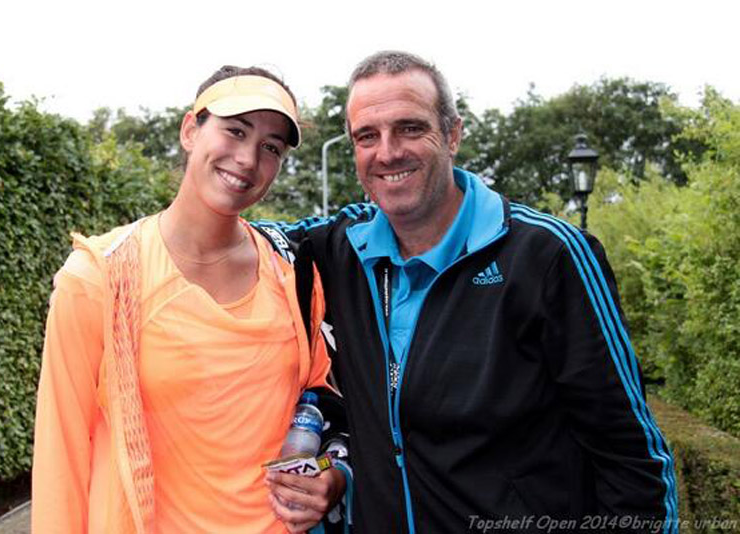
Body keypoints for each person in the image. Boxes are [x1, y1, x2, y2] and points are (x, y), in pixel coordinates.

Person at [262, 51, 678, 533]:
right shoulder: (338, 249)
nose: (388, 152)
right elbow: (232, 239)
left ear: (453, 135)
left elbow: (632, 459)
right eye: (367, 136)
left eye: (410, 128)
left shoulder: (547, 255)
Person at [32, 66, 347, 534]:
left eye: (271, 147)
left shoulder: (296, 276)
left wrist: (331, 476)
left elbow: (325, 402)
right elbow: (62, 456)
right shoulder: (100, 279)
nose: (247, 158)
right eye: (235, 130)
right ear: (189, 131)